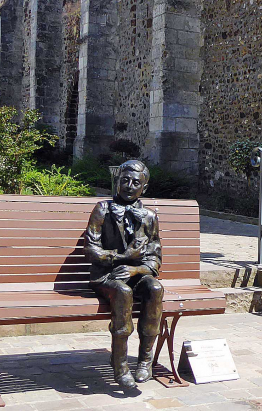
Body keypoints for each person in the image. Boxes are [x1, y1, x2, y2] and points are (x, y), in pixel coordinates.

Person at [84, 159, 163, 389]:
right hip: (106, 277)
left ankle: (145, 360)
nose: (129, 185)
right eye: (124, 180)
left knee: (155, 288)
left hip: (135, 275)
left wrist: (135, 268)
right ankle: (119, 363)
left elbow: (155, 257)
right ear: (116, 181)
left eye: (135, 182)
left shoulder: (149, 217)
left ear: (144, 188)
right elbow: (90, 249)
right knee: (123, 291)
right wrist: (121, 257)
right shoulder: (103, 209)